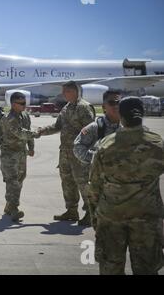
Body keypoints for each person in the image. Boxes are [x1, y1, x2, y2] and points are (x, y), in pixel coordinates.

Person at [88, 96, 164, 275]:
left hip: (111, 216)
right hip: (146, 217)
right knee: (146, 268)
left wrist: (95, 217)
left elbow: (94, 186)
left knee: (110, 268)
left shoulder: (106, 146)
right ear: (142, 114)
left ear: (120, 116)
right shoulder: (157, 145)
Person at [37, 81, 95, 225]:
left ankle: (91, 213)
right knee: (67, 182)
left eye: (66, 91)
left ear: (74, 92)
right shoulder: (66, 107)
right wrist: (41, 131)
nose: (63, 94)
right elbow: (57, 126)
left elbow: (91, 131)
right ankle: (71, 211)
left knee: (83, 182)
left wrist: (87, 152)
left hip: (79, 154)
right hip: (65, 153)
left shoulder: (84, 107)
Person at [0, 92, 39, 221]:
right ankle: (14, 209)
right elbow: (21, 133)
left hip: (21, 153)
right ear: (13, 104)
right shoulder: (8, 118)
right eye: (21, 103)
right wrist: (36, 134)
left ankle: (9, 206)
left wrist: (31, 147)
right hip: (9, 154)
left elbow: (28, 132)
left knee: (20, 180)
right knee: (12, 182)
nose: (24, 105)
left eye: (24, 103)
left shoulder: (25, 116)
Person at [74, 90, 122, 165]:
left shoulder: (126, 128)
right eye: (111, 103)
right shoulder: (94, 127)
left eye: (119, 103)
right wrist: (98, 159)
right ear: (104, 107)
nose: (116, 106)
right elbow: (78, 147)